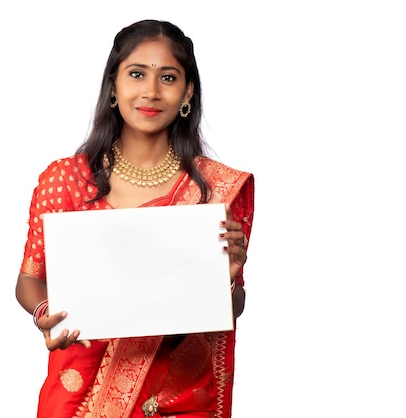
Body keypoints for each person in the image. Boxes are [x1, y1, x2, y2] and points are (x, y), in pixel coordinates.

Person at [15, 19, 255, 418]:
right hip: (79, 396)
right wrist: (46, 313)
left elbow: (232, 307)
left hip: (174, 401)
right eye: (137, 74)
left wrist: (226, 276)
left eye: (169, 77)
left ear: (187, 91)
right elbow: (29, 279)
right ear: (114, 85)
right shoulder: (67, 179)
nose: (151, 91)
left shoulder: (215, 190)